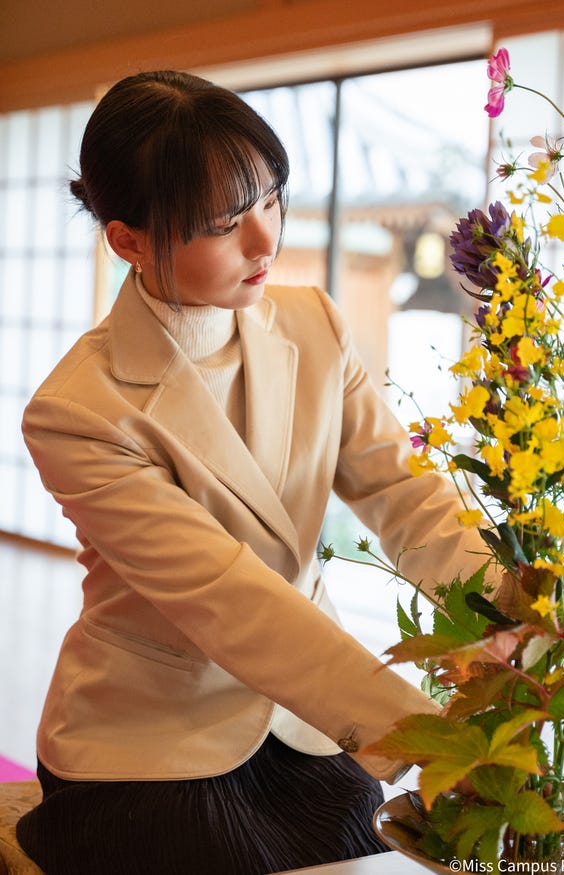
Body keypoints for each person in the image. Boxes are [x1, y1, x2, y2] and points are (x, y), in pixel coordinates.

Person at [17, 70, 491, 875]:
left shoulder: (316, 325)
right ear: (128, 240)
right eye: (223, 224)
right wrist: (428, 737)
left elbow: (401, 490)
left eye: (271, 199)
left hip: (306, 722)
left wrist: (504, 609)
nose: (264, 240)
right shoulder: (77, 410)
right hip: (152, 736)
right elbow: (227, 598)